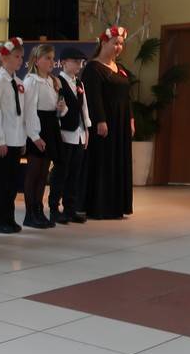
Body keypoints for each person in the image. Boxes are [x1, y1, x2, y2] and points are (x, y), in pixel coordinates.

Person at [83, 26, 134, 219]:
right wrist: (101, 120)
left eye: (121, 44)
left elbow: (127, 97)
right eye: (115, 43)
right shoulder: (93, 68)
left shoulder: (120, 69)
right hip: (104, 122)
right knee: (104, 162)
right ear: (104, 43)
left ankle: (117, 204)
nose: (118, 47)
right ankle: (100, 205)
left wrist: (131, 119)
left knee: (118, 160)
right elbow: (93, 97)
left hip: (120, 123)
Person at [0, 37, 27, 233]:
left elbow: (21, 114)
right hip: (2, 141)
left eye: (21, 57)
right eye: (16, 56)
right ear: (4, 58)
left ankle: (8, 218)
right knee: (0, 182)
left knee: (11, 183)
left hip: (16, 139)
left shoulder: (18, 82)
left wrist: (23, 139)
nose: (20, 60)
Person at [49, 47, 91, 224]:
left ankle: (70, 208)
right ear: (64, 62)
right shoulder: (57, 81)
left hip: (79, 133)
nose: (79, 66)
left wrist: (87, 128)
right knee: (61, 172)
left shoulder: (79, 83)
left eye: (81, 63)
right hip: (65, 133)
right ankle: (53, 208)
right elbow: (56, 109)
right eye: (75, 62)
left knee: (75, 173)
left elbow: (84, 107)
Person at [23, 44, 62, 229]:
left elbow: (56, 108)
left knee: (43, 173)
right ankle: (30, 213)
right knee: (34, 172)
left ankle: (39, 209)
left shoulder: (53, 81)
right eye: (47, 58)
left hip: (50, 126)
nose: (51, 62)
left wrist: (61, 108)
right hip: (38, 128)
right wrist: (34, 136)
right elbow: (29, 110)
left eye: (53, 58)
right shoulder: (31, 81)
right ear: (36, 61)